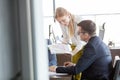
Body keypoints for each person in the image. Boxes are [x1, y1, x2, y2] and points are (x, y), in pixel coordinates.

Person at [55, 7, 86, 80]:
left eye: (63, 20)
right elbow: (66, 38)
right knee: (75, 72)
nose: (62, 23)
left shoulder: (79, 20)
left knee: (81, 70)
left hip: (84, 47)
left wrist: (73, 52)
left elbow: (83, 41)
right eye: (60, 22)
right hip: (74, 46)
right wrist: (59, 46)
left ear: (68, 15)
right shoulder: (62, 23)